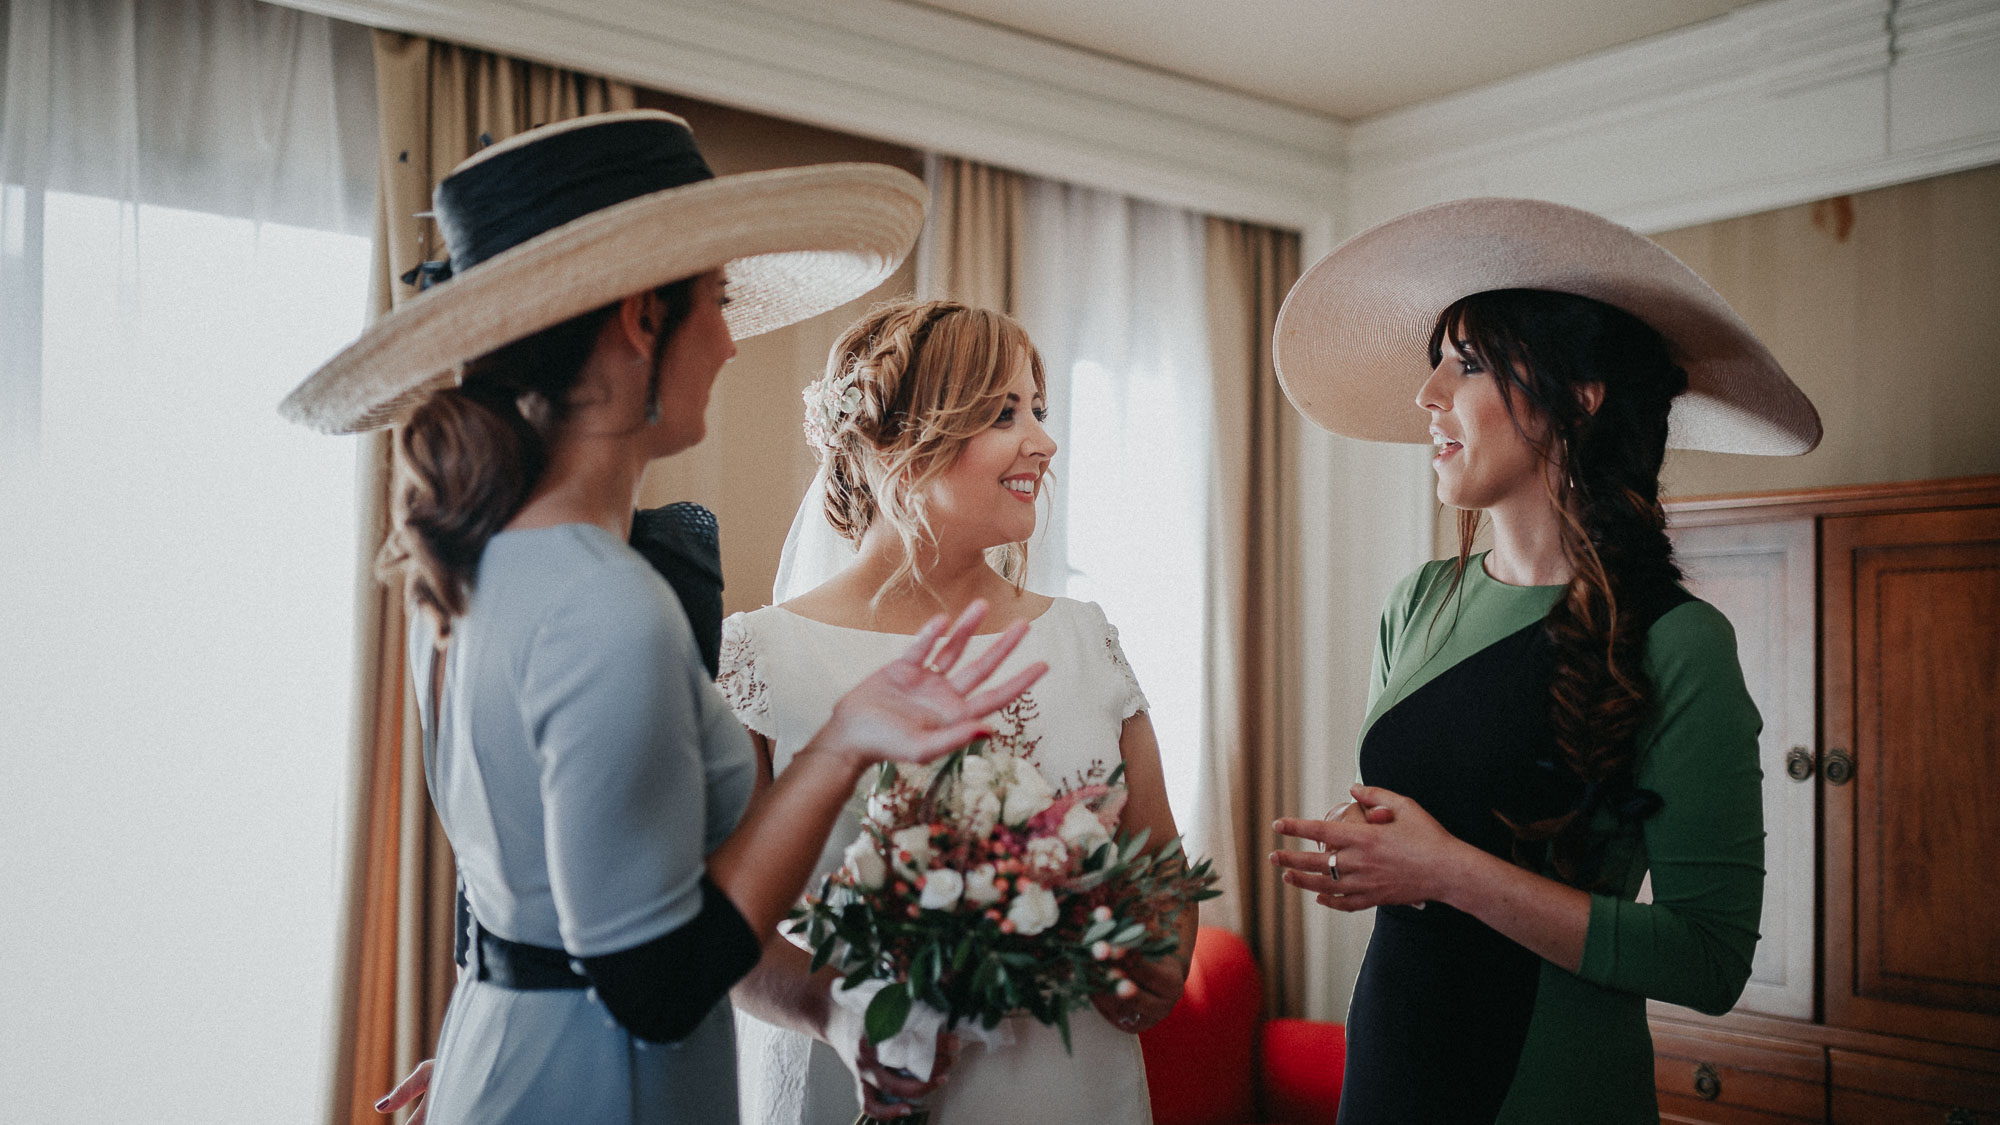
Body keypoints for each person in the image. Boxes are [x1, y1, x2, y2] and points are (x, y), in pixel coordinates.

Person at [279, 110, 1047, 1125]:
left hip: (510, 1051)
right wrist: (843, 744)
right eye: (716, 304)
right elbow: (655, 981)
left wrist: (829, 1006)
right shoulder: (608, 604)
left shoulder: (482, 574)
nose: (730, 344)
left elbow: (548, 903)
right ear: (643, 321)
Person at [1264, 198, 1822, 1123]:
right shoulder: (1418, 603)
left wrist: (1446, 870)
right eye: (1433, 363)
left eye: (1469, 364)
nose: (1427, 394)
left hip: (1550, 1085)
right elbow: (1426, 814)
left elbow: (1710, 959)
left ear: (1579, 394)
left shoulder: (1678, 644)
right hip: (1390, 1063)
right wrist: (1368, 853)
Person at [714, 299, 1193, 1124]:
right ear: (897, 440)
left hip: (1069, 1083)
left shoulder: (1085, 640)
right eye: (1004, 412)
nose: (1042, 441)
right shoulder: (762, 658)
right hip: (863, 1079)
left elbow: (1162, 880)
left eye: (1038, 409)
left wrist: (1155, 965)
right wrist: (844, 1014)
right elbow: (723, 939)